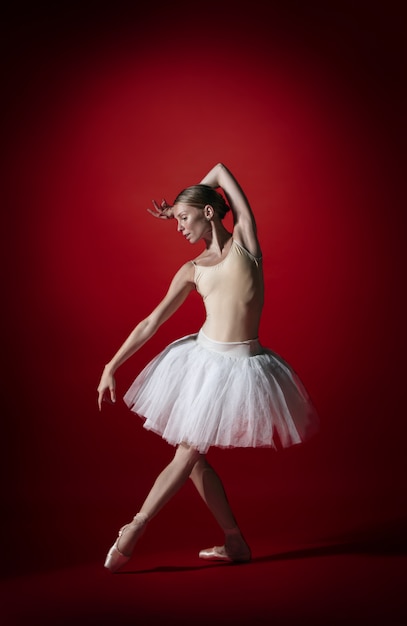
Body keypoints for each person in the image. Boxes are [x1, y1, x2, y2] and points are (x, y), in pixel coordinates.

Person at [97, 162, 319, 573]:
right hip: (201, 362)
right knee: (193, 457)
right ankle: (234, 541)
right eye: (176, 220)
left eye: (184, 218)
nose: (178, 226)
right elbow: (151, 322)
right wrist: (112, 364)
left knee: (188, 452)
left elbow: (218, 170)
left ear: (210, 213)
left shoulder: (246, 243)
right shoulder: (191, 270)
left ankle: (134, 528)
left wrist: (189, 198)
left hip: (241, 368)